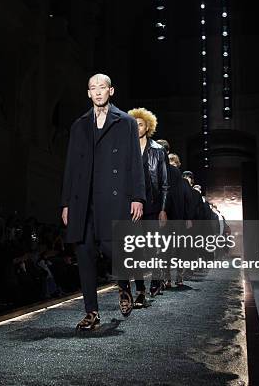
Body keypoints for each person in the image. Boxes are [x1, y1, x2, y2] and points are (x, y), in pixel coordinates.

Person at [61, 73, 145, 331]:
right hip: (83, 198)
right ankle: (91, 312)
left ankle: (123, 285)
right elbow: (71, 166)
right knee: (84, 254)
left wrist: (138, 197)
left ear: (111, 90)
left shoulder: (127, 122)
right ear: (88, 93)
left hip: (113, 195)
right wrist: (66, 203)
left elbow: (134, 161)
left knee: (113, 249)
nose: (98, 92)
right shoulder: (79, 125)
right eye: (93, 88)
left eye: (102, 87)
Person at [128, 108, 169, 308]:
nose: (137, 128)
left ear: (148, 127)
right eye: (134, 124)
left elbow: (164, 183)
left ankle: (155, 280)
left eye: (141, 124)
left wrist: (163, 208)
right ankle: (140, 290)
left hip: (153, 206)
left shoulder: (158, 151)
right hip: (133, 207)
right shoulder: (126, 149)